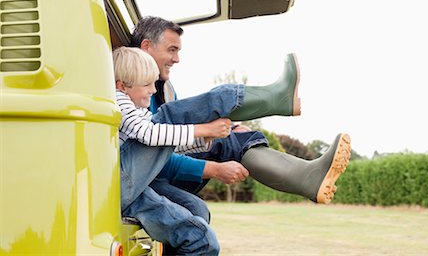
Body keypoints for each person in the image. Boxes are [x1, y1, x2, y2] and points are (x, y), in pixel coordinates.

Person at [130, 16, 351, 205]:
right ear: (147, 46)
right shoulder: (126, 90)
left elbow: (173, 145)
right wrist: (212, 168)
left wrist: (222, 132)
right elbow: (153, 147)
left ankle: (308, 177)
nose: (177, 59)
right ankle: (277, 98)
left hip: (159, 173)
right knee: (182, 116)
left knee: (233, 138)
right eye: (172, 50)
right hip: (141, 178)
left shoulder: (165, 90)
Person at [114, 46, 309, 255]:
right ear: (122, 86)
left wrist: (204, 139)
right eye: (147, 84)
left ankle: (307, 176)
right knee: (170, 116)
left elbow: (161, 146)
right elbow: (150, 135)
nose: (153, 90)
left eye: (154, 83)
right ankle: (270, 98)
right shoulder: (118, 99)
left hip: (134, 190)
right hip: (119, 184)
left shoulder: (137, 110)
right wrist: (202, 128)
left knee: (202, 238)